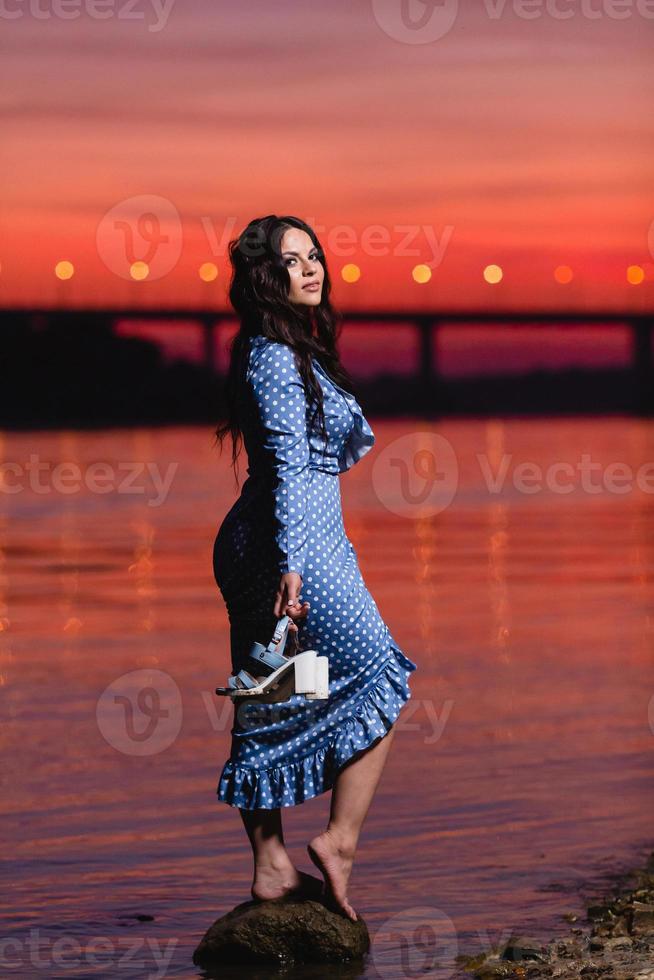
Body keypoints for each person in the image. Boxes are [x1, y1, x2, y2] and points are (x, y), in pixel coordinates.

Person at [213, 214, 417, 922]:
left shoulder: (293, 349)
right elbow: (291, 464)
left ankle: (273, 866)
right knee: (377, 669)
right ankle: (338, 844)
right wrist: (294, 564)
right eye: (292, 261)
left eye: (315, 256)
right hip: (283, 547)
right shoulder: (271, 353)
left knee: (269, 694)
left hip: (297, 542)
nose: (311, 269)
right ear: (266, 276)